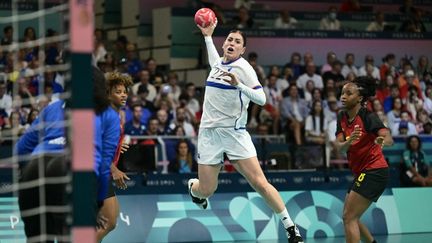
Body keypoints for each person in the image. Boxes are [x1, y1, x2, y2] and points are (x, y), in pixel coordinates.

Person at [189, 19, 304, 243]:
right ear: (225, 45)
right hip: (209, 134)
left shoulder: (244, 69)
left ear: (243, 49)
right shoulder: (218, 64)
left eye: (237, 41)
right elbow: (215, 63)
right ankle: (193, 190)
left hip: (235, 134)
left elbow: (261, 99)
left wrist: (238, 86)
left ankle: (291, 227)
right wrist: (207, 36)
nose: (232, 43)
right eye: (229, 40)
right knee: (206, 190)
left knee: (260, 182)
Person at [16, 67, 118, 243]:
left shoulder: (52, 108)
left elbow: (21, 150)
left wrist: (27, 175)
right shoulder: (109, 114)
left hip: (35, 168)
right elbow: (103, 167)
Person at [335, 76, 393, 243]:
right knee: (351, 216)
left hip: (374, 170)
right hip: (362, 172)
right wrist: (348, 142)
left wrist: (382, 140)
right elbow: (339, 147)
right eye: (342, 93)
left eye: (349, 93)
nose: (343, 97)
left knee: (349, 217)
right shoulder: (342, 117)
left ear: (360, 98)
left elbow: (387, 137)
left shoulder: (368, 117)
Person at [97, 71, 133, 242]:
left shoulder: (115, 115)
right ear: (108, 94)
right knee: (108, 222)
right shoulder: (106, 115)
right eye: (118, 91)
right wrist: (115, 169)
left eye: (125, 91)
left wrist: (118, 145)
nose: (123, 94)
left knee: (103, 224)